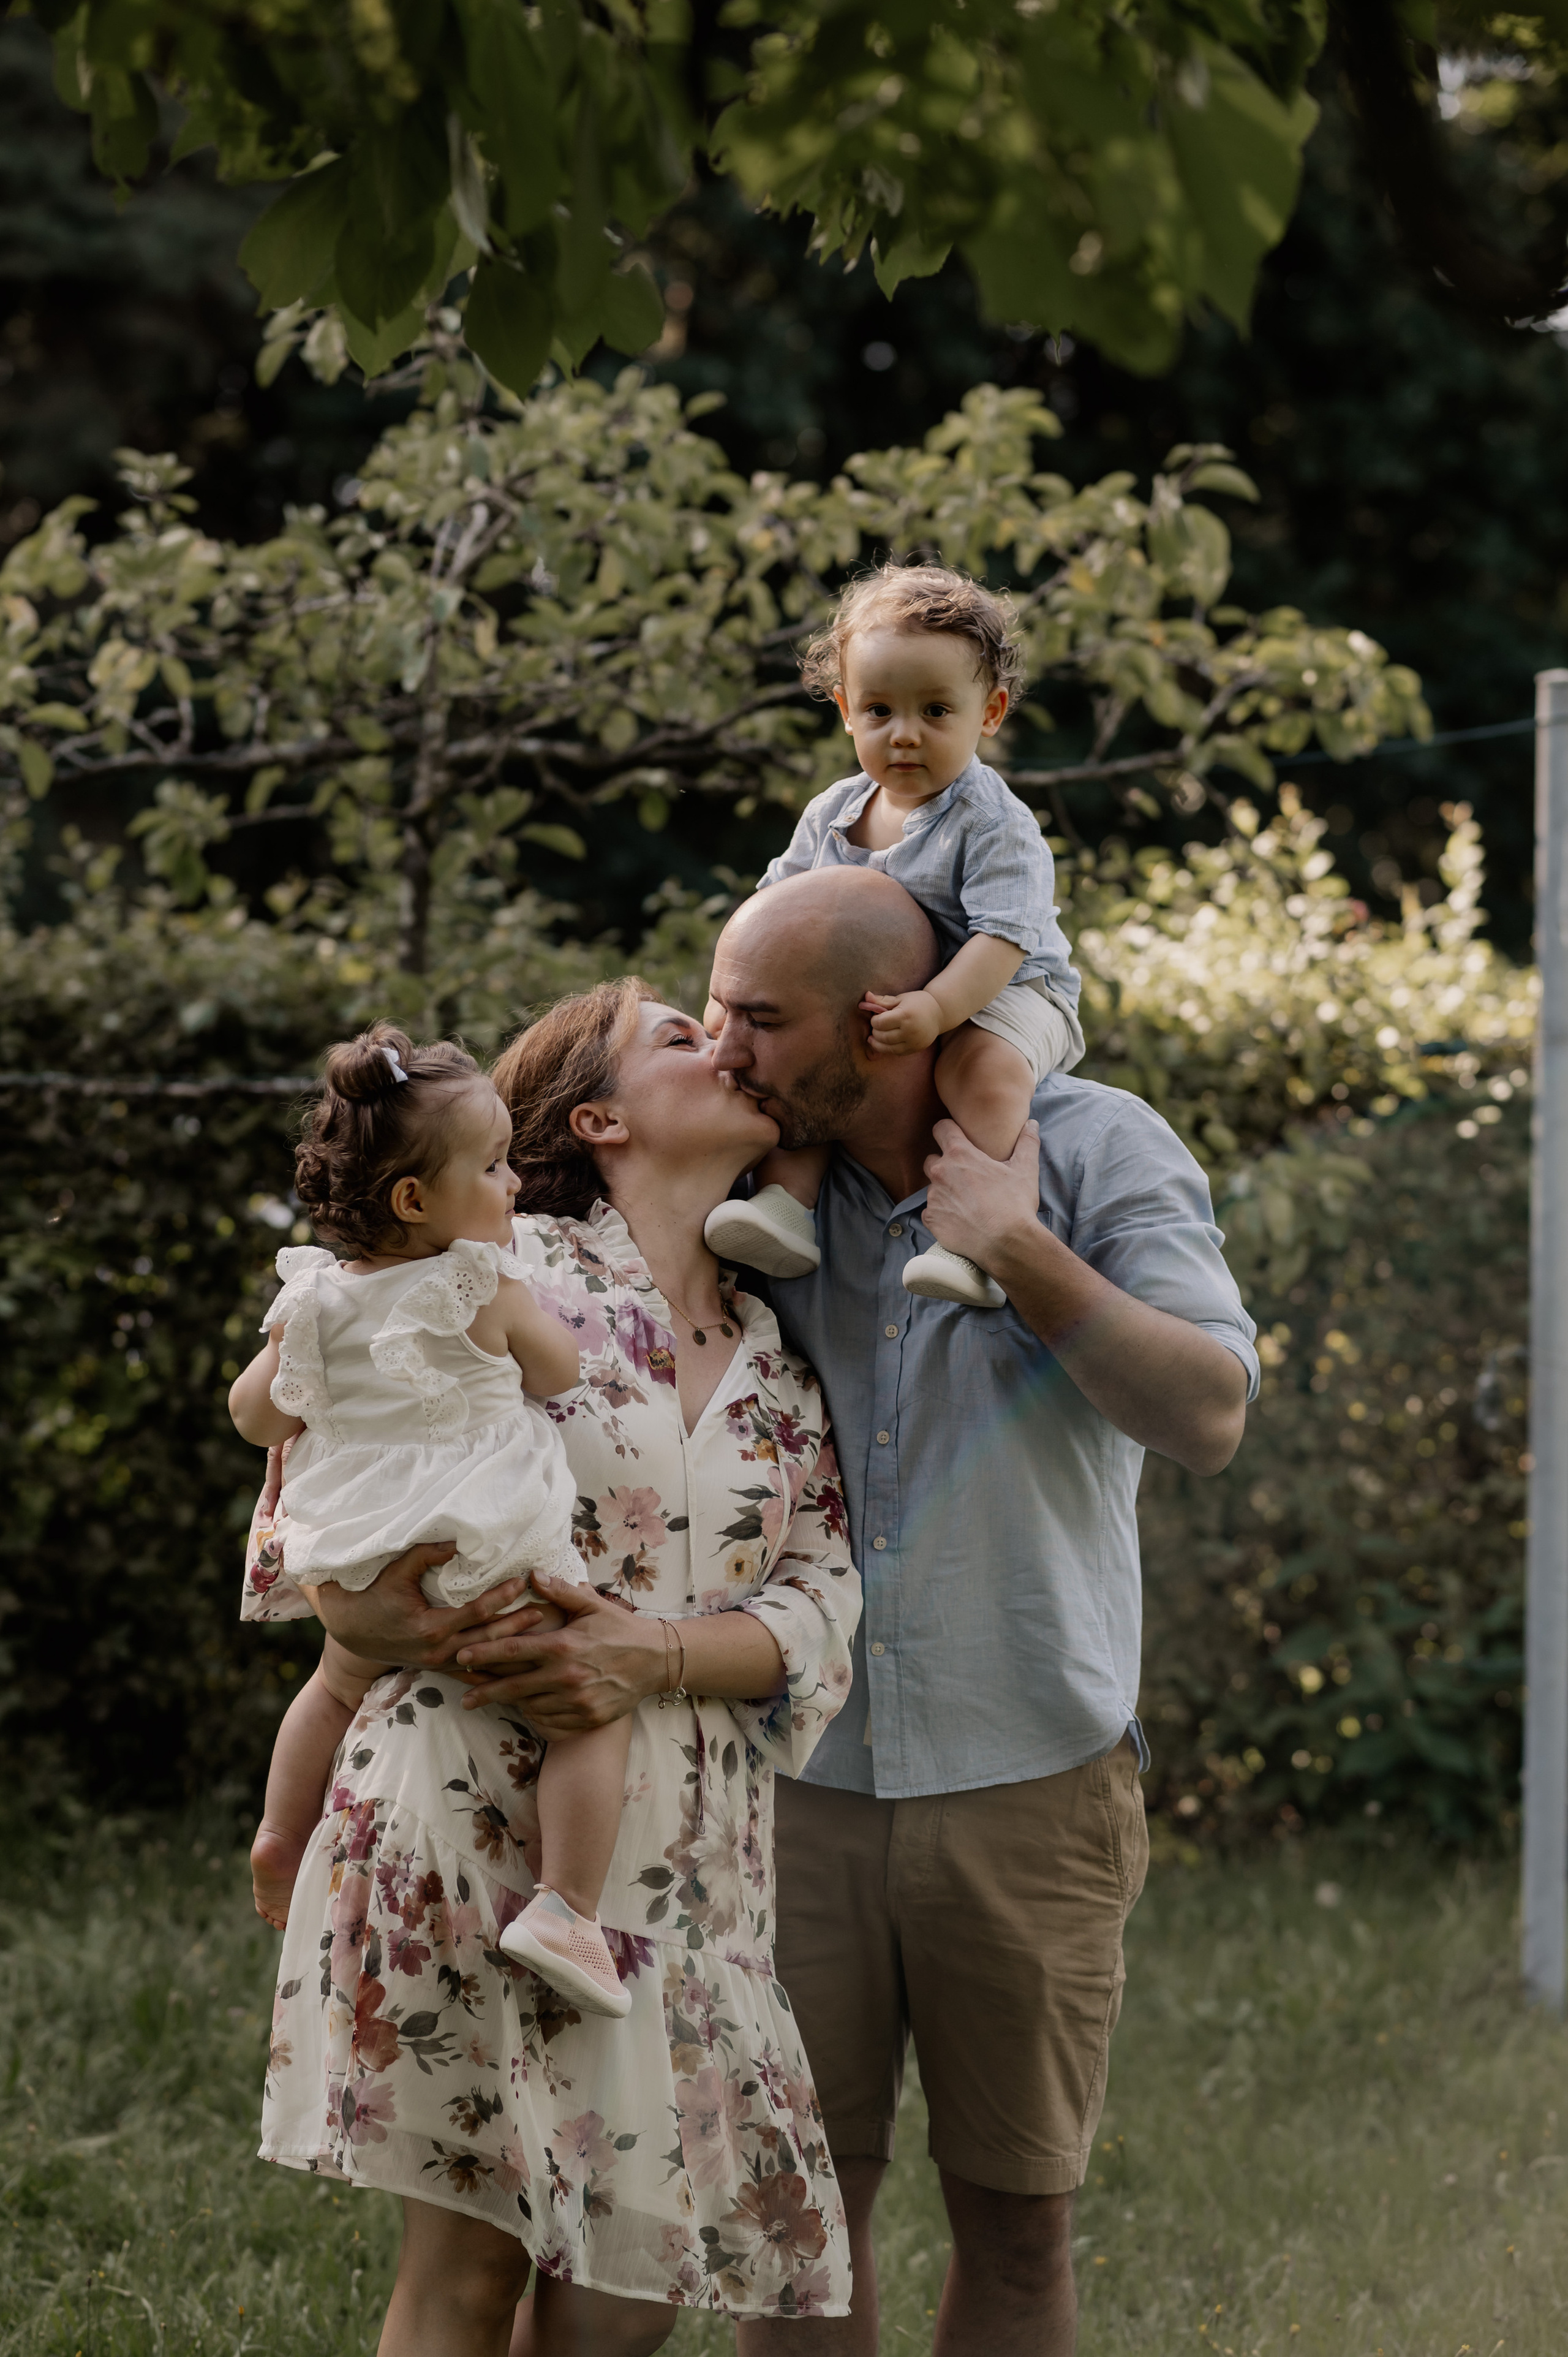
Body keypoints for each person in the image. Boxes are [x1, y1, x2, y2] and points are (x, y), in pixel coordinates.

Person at [243, 978, 861, 2357]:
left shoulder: (779, 1356)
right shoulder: (490, 1267)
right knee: (470, 2269)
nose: (720, 1046)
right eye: (677, 1035)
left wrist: (656, 1655)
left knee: (625, 2303)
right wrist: (381, 1631)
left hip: (692, 1853)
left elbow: (824, 1596)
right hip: (476, 1801)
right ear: (600, 1119)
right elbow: (309, 1486)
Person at [702, 866, 1257, 2357]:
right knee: (794, 2217)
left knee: (1015, 2220)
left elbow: (1205, 1412)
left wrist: (1013, 1243)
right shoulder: (742, 1181)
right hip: (791, 1776)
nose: (720, 1045)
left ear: (881, 1024)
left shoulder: (1094, 1146)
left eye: (756, 1016)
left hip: (1029, 1772)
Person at [230, 1021, 639, 2018]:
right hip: (484, 1545)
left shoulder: (316, 1298)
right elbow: (556, 1370)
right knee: (588, 1708)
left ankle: (283, 1830)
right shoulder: (477, 1280)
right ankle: (567, 1907)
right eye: (495, 1167)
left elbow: (254, 1415)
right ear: (418, 1200)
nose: (511, 1187)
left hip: (358, 1554)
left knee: (333, 1682)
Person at [705, 561, 1084, 1309]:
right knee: (810, 1064)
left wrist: (942, 1010)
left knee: (977, 1072)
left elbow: (1004, 938)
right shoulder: (835, 812)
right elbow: (776, 902)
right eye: (879, 711)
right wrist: (733, 1006)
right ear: (846, 710)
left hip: (1005, 989)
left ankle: (973, 1237)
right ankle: (787, 1206)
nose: (904, 735)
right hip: (901, 993)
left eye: (936, 711)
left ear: (991, 712)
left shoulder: (995, 821)